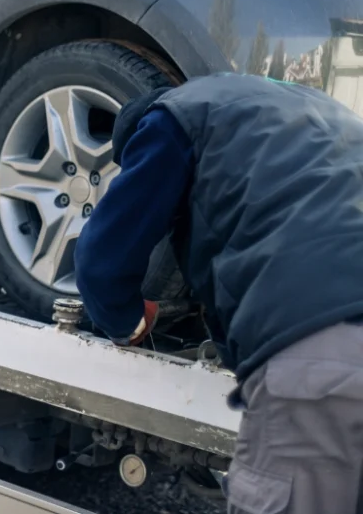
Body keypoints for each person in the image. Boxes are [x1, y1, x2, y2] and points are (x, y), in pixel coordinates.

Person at [74, 72, 363, 513]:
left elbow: (101, 262)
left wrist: (127, 321)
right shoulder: (319, 110)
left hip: (324, 351)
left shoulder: (170, 120)